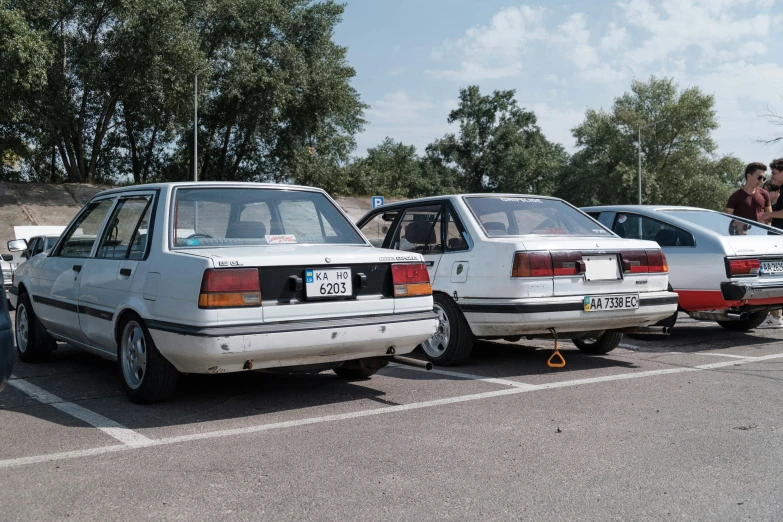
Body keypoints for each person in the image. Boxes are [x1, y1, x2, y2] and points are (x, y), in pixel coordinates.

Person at [728, 161, 783, 328]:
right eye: (759, 176)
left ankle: (776, 317)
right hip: (742, 245)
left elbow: (769, 216)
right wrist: (736, 227)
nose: (762, 180)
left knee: (769, 277)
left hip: (763, 242)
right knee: (749, 280)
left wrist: (767, 223)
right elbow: (727, 220)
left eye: (764, 177)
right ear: (749, 176)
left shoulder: (764, 194)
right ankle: (746, 313)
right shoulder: (735, 196)